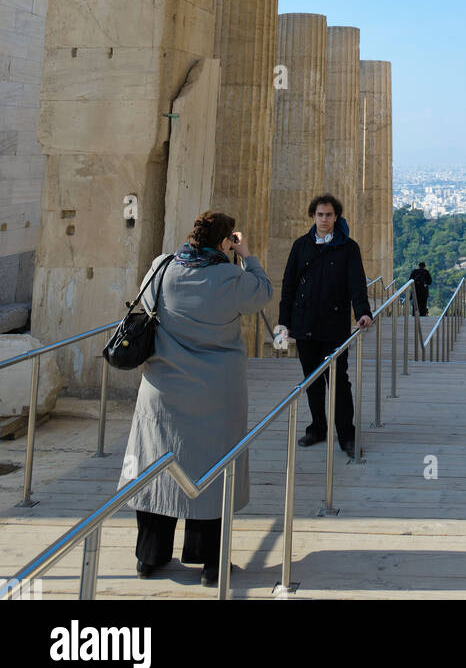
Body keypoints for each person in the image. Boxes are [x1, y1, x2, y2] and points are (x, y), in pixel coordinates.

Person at [119, 209, 273, 585]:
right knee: (214, 473)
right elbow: (263, 294)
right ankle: (209, 563)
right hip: (216, 393)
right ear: (224, 242)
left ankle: (150, 557)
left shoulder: (162, 266)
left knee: (157, 469)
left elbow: (146, 302)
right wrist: (247, 254)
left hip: (163, 387)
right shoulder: (232, 277)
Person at [274, 194, 371, 460]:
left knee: (339, 382)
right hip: (304, 323)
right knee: (312, 381)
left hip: (334, 324)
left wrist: (363, 312)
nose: (324, 219)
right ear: (313, 216)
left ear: (336, 217)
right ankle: (317, 428)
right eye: (320, 214)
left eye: (329, 215)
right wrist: (283, 325)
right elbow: (289, 287)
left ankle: (346, 434)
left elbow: (356, 284)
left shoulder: (348, 248)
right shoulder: (301, 246)